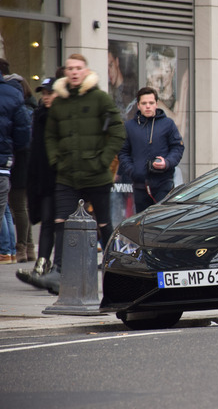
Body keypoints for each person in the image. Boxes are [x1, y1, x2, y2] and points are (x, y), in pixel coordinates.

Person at [35, 54, 126, 294]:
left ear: (85, 71)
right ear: (65, 72)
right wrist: (57, 160)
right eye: (70, 68)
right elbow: (51, 136)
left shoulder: (99, 98)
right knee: (60, 221)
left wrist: (103, 161)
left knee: (104, 224)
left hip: (96, 175)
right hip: (67, 175)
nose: (74, 72)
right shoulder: (60, 102)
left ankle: (116, 273)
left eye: (78, 68)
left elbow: (118, 131)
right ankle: (58, 272)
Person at [16, 77, 59, 285]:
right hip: (44, 178)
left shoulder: (60, 116)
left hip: (61, 177)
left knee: (58, 223)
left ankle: (53, 267)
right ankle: (42, 265)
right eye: (44, 93)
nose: (46, 97)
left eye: (50, 92)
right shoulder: (40, 114)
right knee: (48, 221)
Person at [118, 87, 184, 213]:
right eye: (144, 103)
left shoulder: (168, 124)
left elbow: (178, 147)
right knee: (142, 223)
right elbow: (123, 152)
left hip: (163, 183)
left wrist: (167, 162)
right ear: (138, 105)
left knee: (161, 219)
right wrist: (133, 170)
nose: (148, 106)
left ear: (156, 104)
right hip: (139, 185)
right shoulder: (129, 126)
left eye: (151, 103)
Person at [0, 59, 35, 263]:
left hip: (17, 163)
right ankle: (21, 248)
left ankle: (14, 249)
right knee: (13, 208)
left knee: (15, 207)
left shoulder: (23, 106)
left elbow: (23, 139)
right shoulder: (22, 104)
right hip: (13, 162)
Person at [108, 43, 137, 120]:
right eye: (106, 67)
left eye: (110, 65)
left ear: (117, 62)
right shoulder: (109, 90)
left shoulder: (131, 88)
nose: (109, 72)